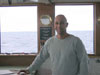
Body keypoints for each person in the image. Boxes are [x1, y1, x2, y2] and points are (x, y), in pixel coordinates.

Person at [18, 14, 89, 75]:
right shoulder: (50, 42)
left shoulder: (76, 41)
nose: (59, 26)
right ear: (54, 25)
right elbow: (40, 58)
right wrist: (29, 70)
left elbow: (84, 61)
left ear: (66, 25)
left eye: (61, 23)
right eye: (57, 23)